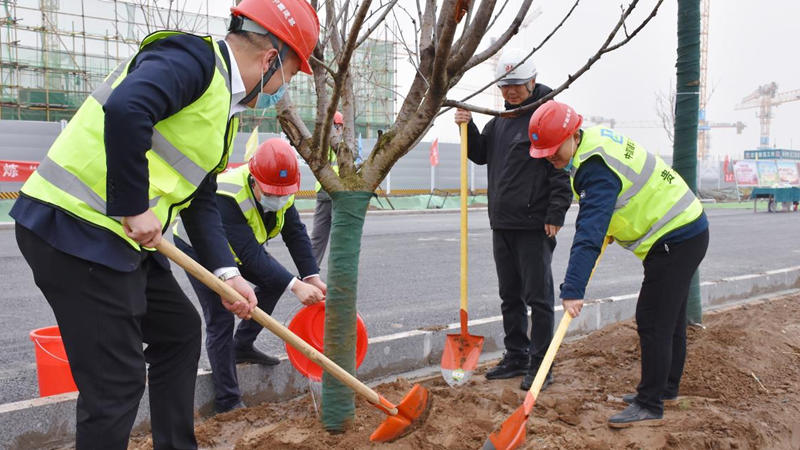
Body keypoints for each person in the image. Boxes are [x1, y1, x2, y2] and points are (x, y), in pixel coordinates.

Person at [10, 0, 319, 448]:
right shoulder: (192, 60)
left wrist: (227, 274)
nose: (280, 90)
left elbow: (200, 199)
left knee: (178, 333)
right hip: (73, 226)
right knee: (116, 381)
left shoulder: (224, 111)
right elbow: (125, 110)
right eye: (287, 77)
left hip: (122, 240)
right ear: (271, 59)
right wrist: (133, 205)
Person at [528, 100, 709, 428]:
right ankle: (666, 389)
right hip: (687, 228)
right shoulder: (593, 144)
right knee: (671, 318)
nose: (551, 158)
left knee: (653, 320)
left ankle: (649, 403)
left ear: (572, 135)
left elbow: (589, 233)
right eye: (545, 153)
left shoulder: (594, 170)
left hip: (674, 238)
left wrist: (573, 289)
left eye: (554, 150)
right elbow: (611, 210)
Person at [173, 138, 326, 414]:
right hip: (201, 249)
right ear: (254, 180)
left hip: (239, 249)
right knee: (220, 317)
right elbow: (250, 255)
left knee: (271, 282)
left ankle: (242, 345)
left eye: (284, 194)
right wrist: (295, 285)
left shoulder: (283, 190)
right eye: (272, 193)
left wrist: (311, 276)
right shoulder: (227, 195)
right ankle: (228, 402)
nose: (278, 199)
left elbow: (296, 234)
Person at [454, 48, 572, 391]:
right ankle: (516, 354)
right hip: (502, 222)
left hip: (535, 224)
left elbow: (560, 167)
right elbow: (479, 154)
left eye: (516, 85)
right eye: (505, 86)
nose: (510, 92)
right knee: (510, 295)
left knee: (538, 297)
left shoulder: (544, 117)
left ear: (532, 81)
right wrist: (468, 125)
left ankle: (541, 363)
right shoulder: (500, 121)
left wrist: (556, 211)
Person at [310, 111, 344, 267]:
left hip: (337, 194)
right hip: (327, 193)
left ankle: (335, 271)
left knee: (327, 236)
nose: (339, 130)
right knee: (319, 236)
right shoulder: (325, 144)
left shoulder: (344, 145)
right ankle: (310, 271)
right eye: (337, 126)